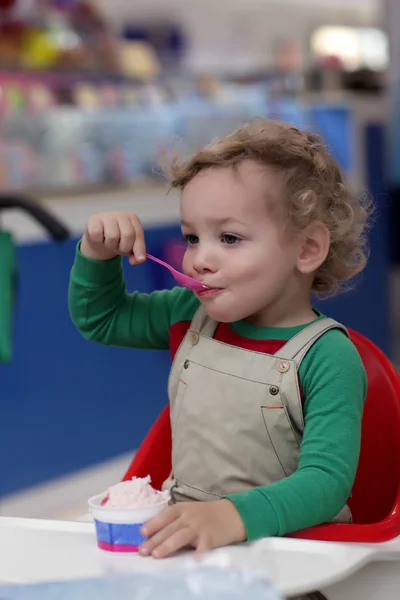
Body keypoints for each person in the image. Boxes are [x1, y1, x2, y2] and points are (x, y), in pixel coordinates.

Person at [69, 119, 370, 560]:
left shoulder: (328, 355)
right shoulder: (189, 313)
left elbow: (326, 482)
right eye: (192, 237)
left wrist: (231, 516)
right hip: (193, 547)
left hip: (291, 556)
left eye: (229, 238)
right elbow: (104, 319)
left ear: (306, 249)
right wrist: (97, 254)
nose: (199, 260)